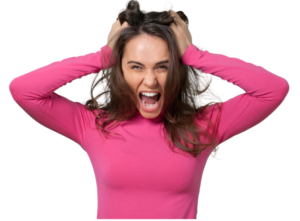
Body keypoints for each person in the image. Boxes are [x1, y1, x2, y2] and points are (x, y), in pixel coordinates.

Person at [9, 1, 289, 219]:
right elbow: (24, 90)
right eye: (136, 66)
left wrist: (193, 54)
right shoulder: (94, 125)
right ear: (120, 69)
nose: (151, 80)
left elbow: (273, 90)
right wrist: (103, 55)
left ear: (176, 69)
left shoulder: (203, 126)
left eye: (163, 66)